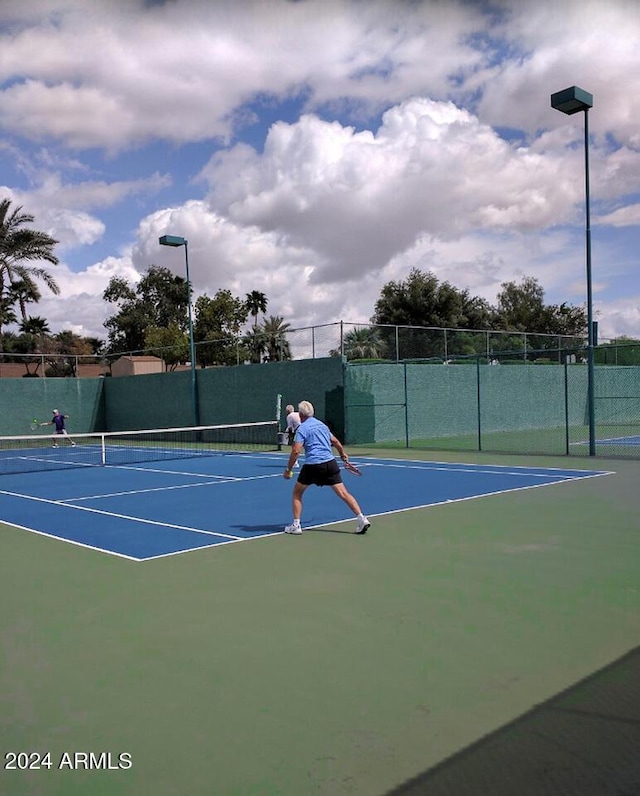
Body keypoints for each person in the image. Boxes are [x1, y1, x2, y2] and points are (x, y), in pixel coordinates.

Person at [282, 400, 370, 536]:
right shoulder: (322, 426)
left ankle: (296, 525)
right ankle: (362, 519)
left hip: (313, 466)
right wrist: (342, 454)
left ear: (300, 414)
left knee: (297, 493)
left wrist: (288, 470)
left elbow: (296, 451)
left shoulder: (302, 428)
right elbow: (335, 441)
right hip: (330, 464)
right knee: (344, 493)